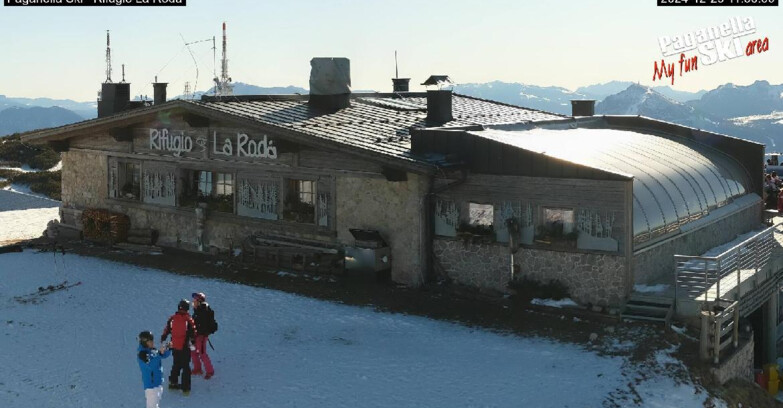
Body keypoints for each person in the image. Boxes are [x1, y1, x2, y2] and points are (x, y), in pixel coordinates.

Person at [161, 299, 197, 395]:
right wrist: (193, 342)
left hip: (175, 346)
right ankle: (185, 388)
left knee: (176, 364)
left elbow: (166, 330)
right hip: (184, 346)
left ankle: (173, 383)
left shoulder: (172, 318)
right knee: (186, 366)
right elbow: (193, 333)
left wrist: (163, 338)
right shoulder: (188, 319)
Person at [137, 331, 171, 408]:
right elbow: (151, 365)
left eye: (152, 340)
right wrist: (159, 354)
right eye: (150, 341)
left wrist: (168, 349)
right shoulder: (142, 354)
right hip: (151, 386)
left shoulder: (151, 350)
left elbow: (162, 355)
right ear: (144, 342)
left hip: (157, 383)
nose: (152, 342)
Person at [190, 292, 216, 379]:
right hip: (194, 336)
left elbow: (203, 326)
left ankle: (210, 371)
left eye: (195, 300)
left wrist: (200, 334)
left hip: (201, 336)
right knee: (193, 352)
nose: (193, 302)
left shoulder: (204, 312)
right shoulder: (197, 310)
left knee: (202, 353)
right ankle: (197, 369)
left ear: (199, 301)